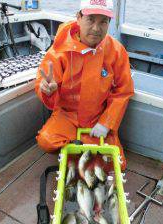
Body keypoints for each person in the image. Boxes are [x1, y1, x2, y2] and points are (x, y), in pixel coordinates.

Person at [35, 0, 134, 170]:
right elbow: (45, 87)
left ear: (109, 23)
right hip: (68, 116)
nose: (96, 28)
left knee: (116, 164)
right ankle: (80, 150)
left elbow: (123, 91)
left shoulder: (117, 51)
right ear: (78, 18)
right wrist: (49, 90)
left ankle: (77, 150)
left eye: (103, 21)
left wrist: (106, 123)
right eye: (90, 19)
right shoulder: (59, 50)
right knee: (46, 141)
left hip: (98, 117)